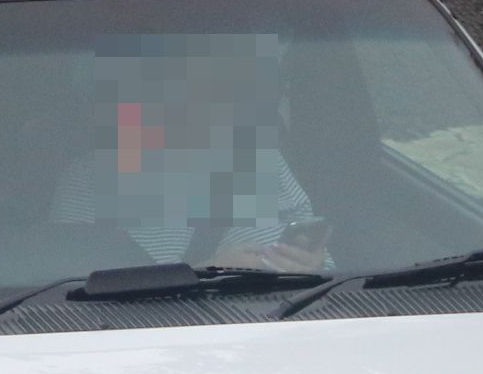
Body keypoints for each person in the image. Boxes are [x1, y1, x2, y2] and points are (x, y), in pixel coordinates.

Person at [48, 34, 326, 272]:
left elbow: (320, 277)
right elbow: (73, 295)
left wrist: (311, 264)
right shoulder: (87, 181)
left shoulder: (259, 160)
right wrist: (208, 272)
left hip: (277, 323)